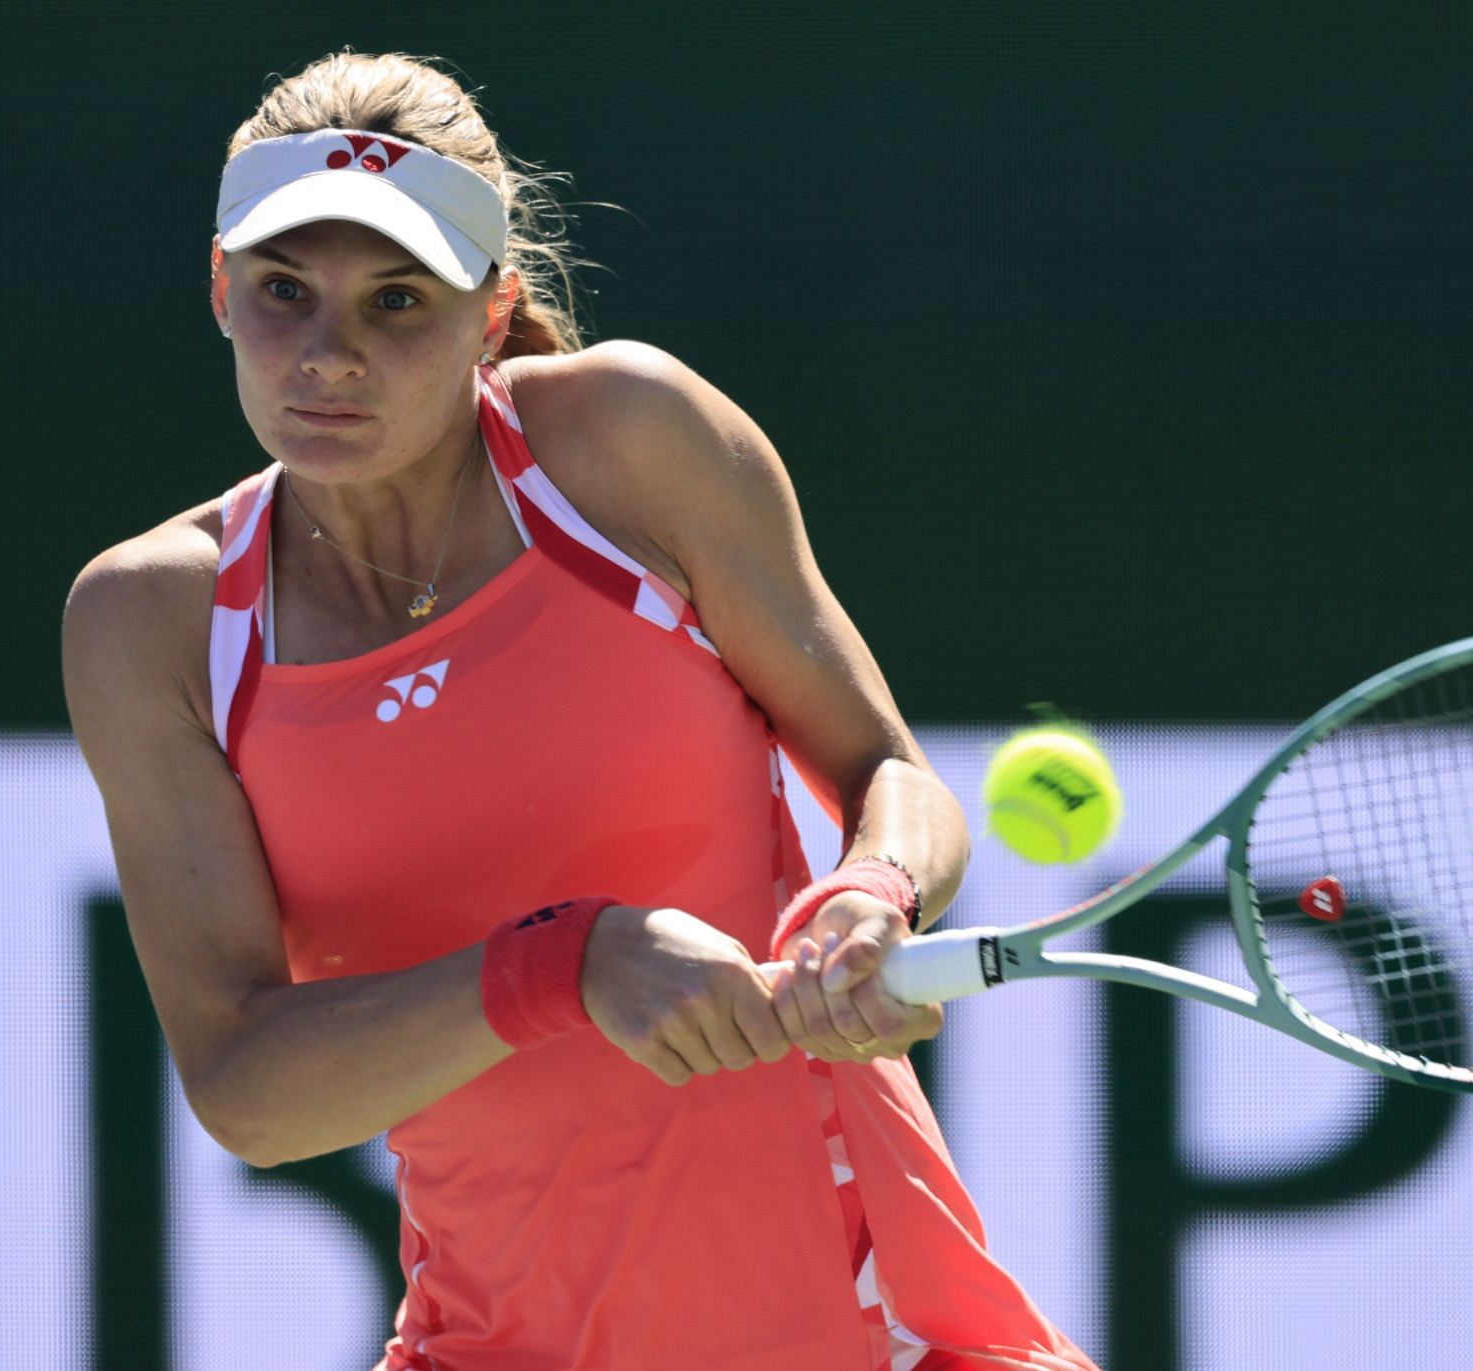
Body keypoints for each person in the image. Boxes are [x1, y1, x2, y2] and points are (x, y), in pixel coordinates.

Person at [61, 50, 1097, 1371]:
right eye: (283, 293)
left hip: (869, 1324)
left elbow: (887, 770)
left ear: (492, 313)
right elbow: (246, 1090)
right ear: (219, 289)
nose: (331, 355)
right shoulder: (150, 621)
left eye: (397, 302)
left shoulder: (627, 441)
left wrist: (875, 889)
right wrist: (563, 965)